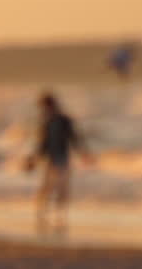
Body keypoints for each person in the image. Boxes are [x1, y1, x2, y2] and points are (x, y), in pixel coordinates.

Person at [25, 92, 94, 233]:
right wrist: (33, 159)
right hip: (50, 160)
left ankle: (59, 216)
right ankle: (42, 214)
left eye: (44, 107)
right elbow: (42, 144)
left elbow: (74, 139)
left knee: (61, 189)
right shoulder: (46, 122)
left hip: (62, 159)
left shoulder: (64, 120)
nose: (44, 110)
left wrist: (84, 153)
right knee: (47, 188)